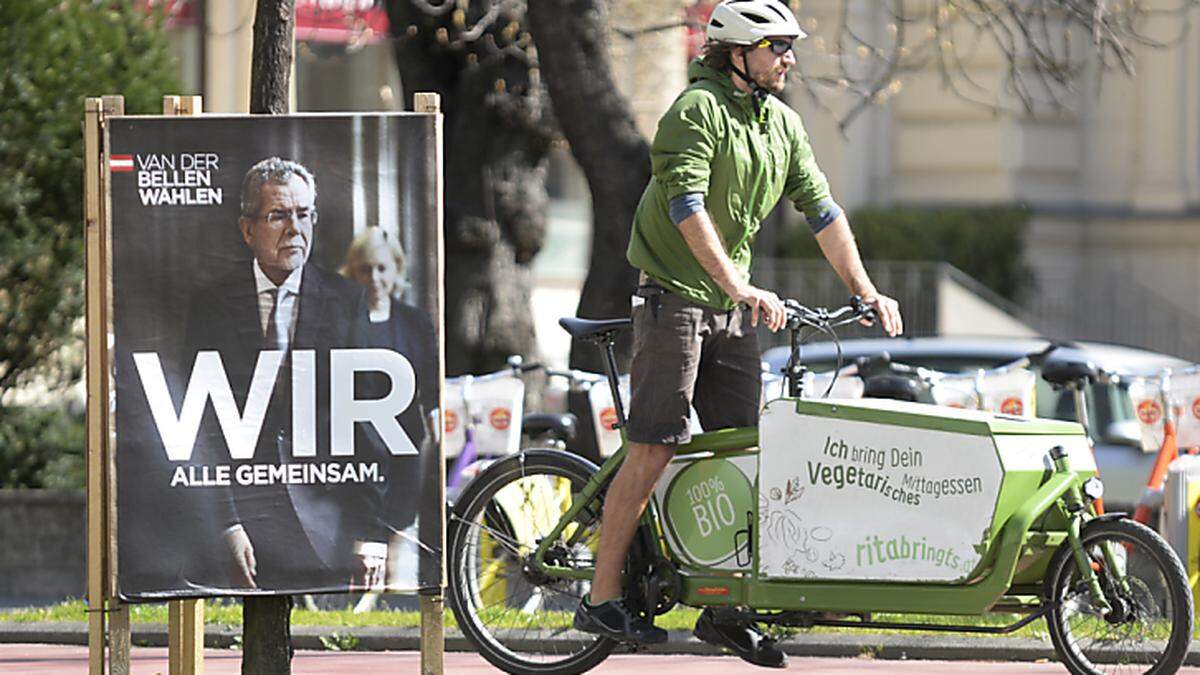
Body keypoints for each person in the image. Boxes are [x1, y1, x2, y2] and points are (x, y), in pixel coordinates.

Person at [572, 0, 903, 668]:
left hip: (732, 307)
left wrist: (865, 290)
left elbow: (823, 210)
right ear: (738, 52)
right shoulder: (696, 111)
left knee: (748, 454)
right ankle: (602, 594)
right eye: (778, 46)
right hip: (675, 301)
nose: (789, 58)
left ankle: (724, 610)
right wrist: (740, 287)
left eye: (789, 47)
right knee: (656, 447)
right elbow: (686, 206)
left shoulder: (779, 123)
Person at [184, 157, 391, 592]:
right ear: (247, 229)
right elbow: (199, 426)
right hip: (240, 519)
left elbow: (368, 422)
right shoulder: (211, 305)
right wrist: (226, 525)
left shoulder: (347, 302)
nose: (295, 228)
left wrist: (369, 531)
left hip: (326, 517)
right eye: (278, 215)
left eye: (304, 215)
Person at [341, 227, 438, 557]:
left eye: (382, 268)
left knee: (399, 529)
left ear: (397, 269)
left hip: (403, 448)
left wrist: (435, 415)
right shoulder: (338, 321)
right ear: (352, 272)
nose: (374, 278)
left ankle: (390, 593)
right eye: (365, 269)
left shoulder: (416, 322)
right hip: (354, 451)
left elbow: (430, 378)